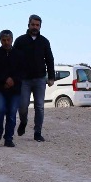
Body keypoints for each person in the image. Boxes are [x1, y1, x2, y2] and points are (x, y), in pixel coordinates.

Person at [14, 14, 55, 142]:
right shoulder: (20, 41)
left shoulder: (44, 41)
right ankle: (23, 122)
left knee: (39, 106)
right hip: (24, 80)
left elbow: (50, 60)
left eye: (37, 25)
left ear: (40, 27)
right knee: (23, 106)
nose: (35, 27)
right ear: (28, 25)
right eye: (33, 25)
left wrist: (51, 77)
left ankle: (37, 132)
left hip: (40, 79)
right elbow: (13, 60)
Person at [0, 28, 27, 146]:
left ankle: (9, 138)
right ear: (0, 40)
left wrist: (13, 80)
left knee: (11, 114)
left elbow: (23, 71)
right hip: (0, 88)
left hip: (15, 89)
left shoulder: (19, 54)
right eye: (4, 40)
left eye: (8, 39)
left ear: (12, 39)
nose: (6, 42)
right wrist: (4, 79)